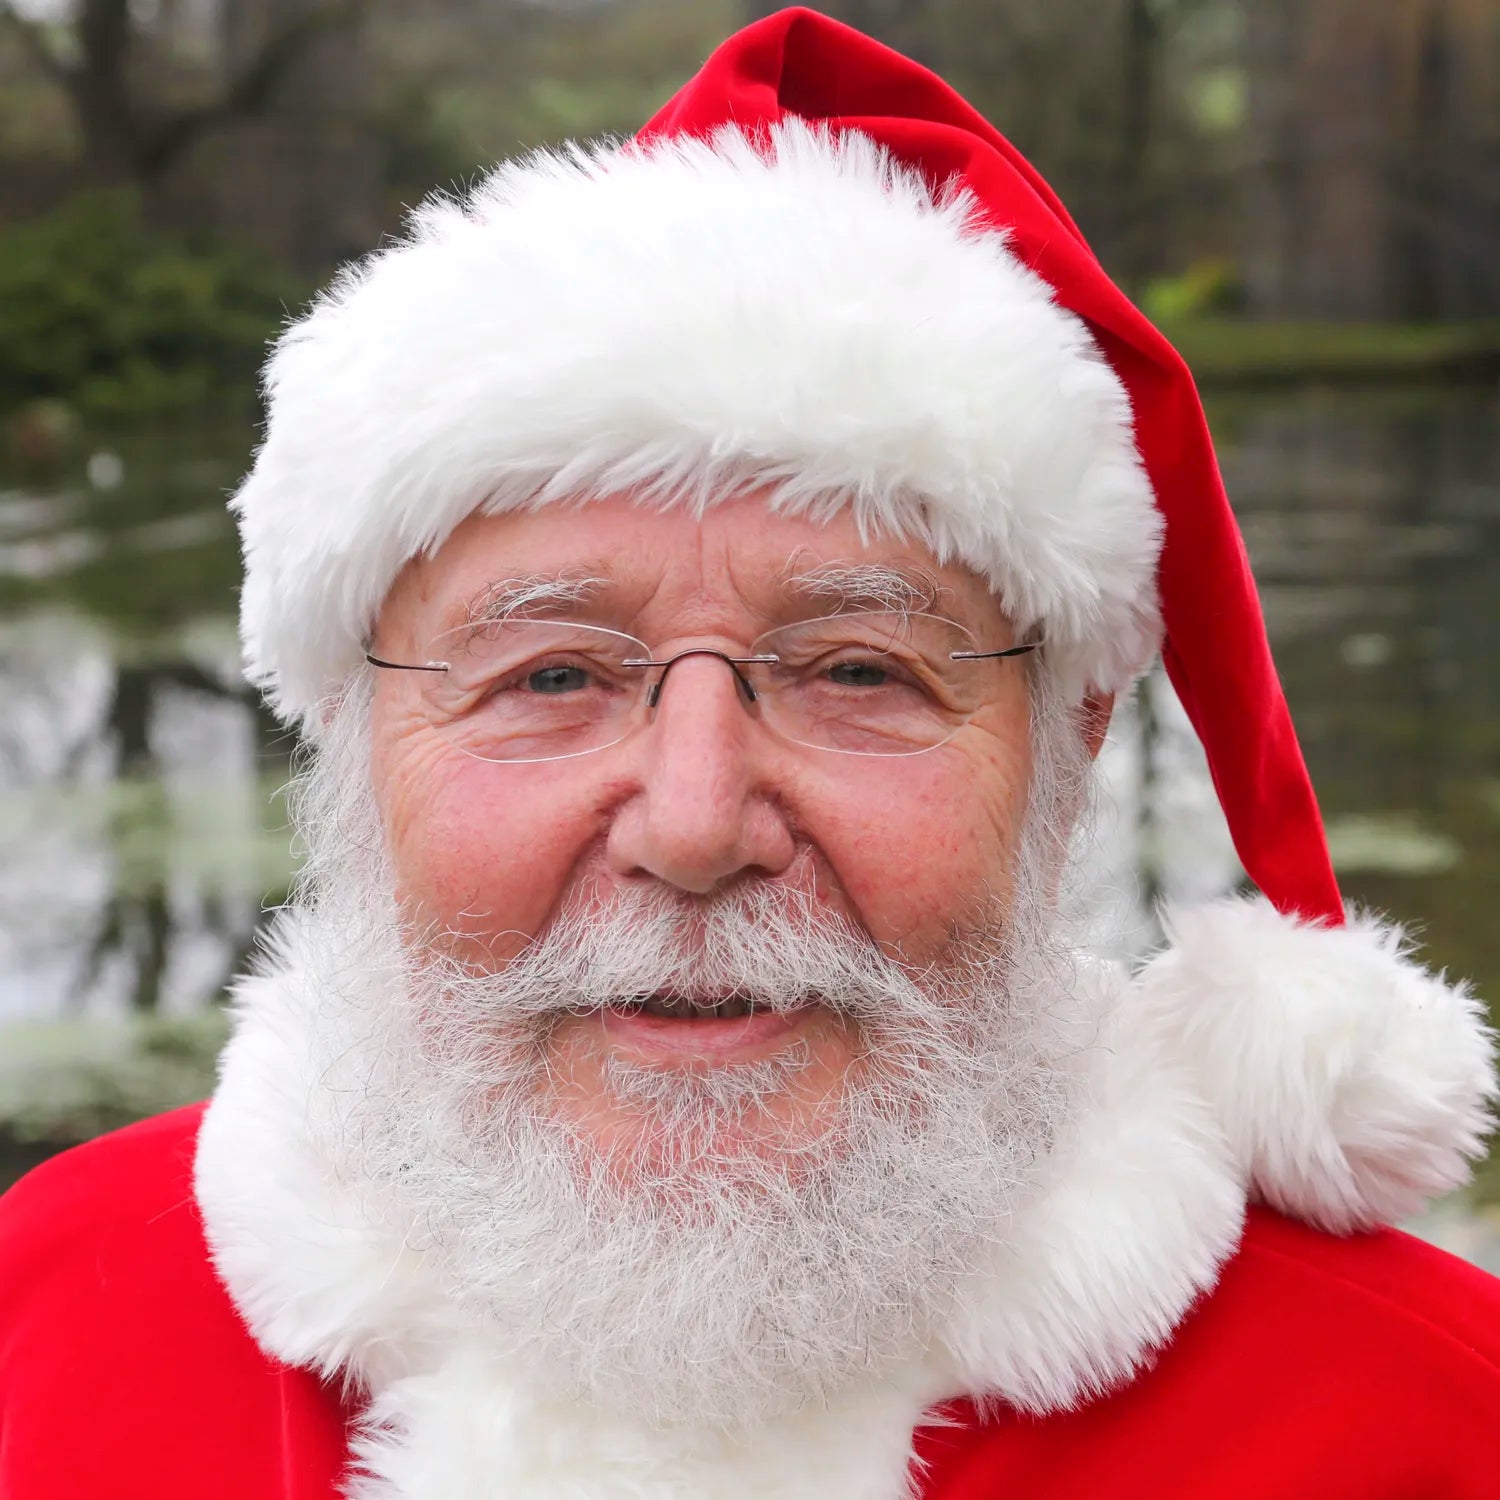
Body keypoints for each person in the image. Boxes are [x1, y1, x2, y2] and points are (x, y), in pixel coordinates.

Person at [2, 9, 1497, 1498]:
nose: (696, 819)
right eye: (555, 673)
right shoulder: (40, 1331)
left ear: (1071, 747)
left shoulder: (1437, 1424)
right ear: (348, 734)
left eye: (858, 669)